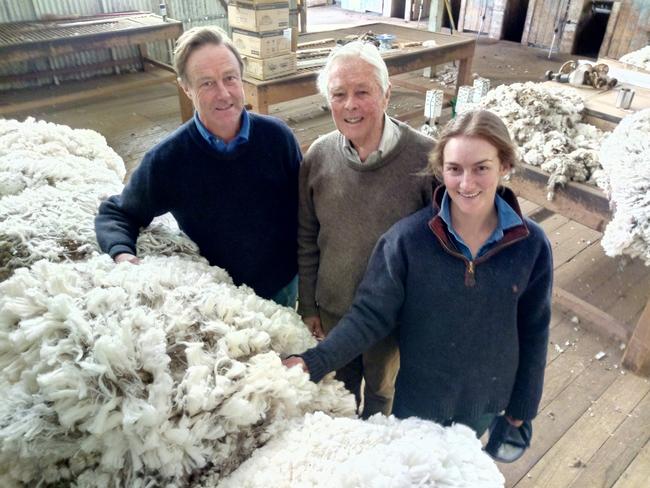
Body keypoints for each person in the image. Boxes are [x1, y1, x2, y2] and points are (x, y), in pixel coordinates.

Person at [286, 110, 553, 442]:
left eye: (481, 168)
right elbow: (369, 315)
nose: (467, 184)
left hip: (488, 398)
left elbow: (534, 327)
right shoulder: (407, 242)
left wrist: (523, 404)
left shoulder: (531, 245)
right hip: (418, 402)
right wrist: (314, 362)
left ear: (505, 167)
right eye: (454, 169)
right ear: (440, 170)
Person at [95, 26, 301, 307]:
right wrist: (122, 254)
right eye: (207, 83)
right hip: (220, 297)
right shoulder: (168, 159)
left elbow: (305, 208)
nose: (224, 93)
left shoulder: (277, 138)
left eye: (230, 78)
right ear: (186, 88)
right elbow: (118, 212)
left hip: (284, 283)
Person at [297, 41, 435, 418]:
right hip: (334, 310)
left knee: (380, 394)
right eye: (339, 94)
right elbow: (308, 237)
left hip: (391, 320)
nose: (350, 105)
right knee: (340, 394)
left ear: (386, 94)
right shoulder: (318, 156)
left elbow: (438, 252)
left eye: (363, 92)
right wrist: (308, 304)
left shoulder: (427, 160)